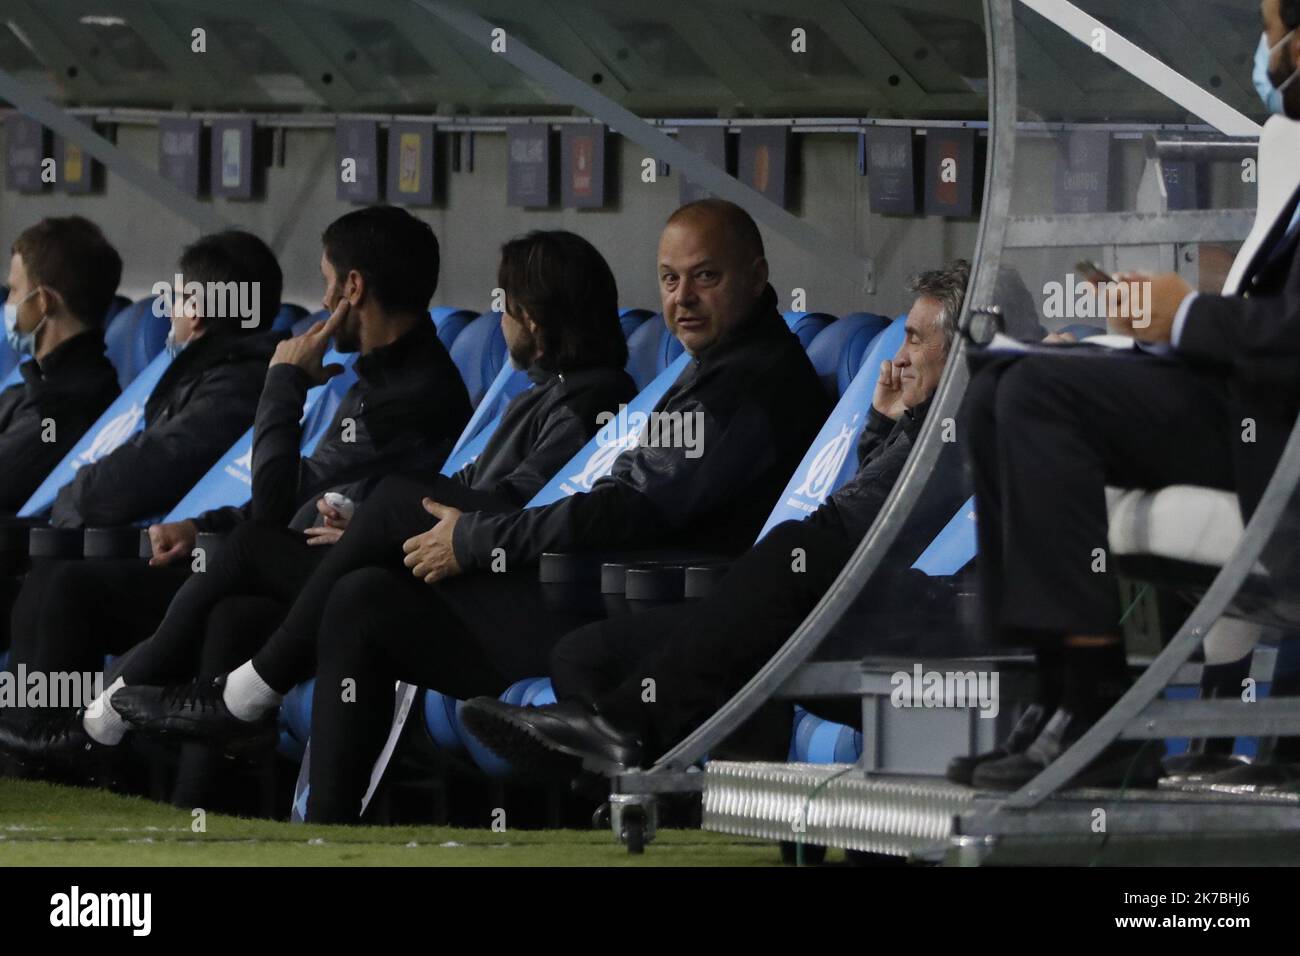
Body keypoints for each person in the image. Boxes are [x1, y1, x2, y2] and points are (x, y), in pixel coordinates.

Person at [120, 198, 831, 823]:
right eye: (671, 280)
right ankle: (324, 829)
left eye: (706, 277)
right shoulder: (699, 369)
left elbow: (627, 510)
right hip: (586, 588)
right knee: (364, 597)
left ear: (759, 276)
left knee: (383, 510)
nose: (683, 298)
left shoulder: (749, 380)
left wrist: (479, 540)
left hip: (626, 609)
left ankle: (240, 694)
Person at [937, 0, 1300, 791]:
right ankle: (1061, 683)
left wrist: (1192, 315)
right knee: (1003, 382)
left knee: (1037, 396)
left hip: (1276, 430)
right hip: (1244, 401)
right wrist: (1156, 328)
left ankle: (1098, 703)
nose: (1265, 60)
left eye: (1270, 32)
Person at [0, 207, 473, 789]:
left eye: (328, 282)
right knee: (65, 581)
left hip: (323, 579)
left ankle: (89, 746)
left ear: (354, 287)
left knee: (177, 600)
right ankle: (62, 755)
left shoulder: (413, 391)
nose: (323, 301)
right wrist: (200, 527)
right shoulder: (374, 377)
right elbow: (297, 499)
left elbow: (276, 509)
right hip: (268, 562)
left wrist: (284, 384)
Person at [458, 261, 970, 776]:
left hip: (900, 619)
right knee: (584, 654)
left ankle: (629, 736)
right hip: (823, 597)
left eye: (914, 342)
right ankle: (633, 788)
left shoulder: (963, 431)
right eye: (667, 278)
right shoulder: (924, 424)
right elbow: (872, 507)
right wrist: (882, 425)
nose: (899, 359)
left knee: (788, 559)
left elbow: (867, 532)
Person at [0, 216, 122, 512]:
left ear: (43, 301)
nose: (8, 303)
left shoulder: (61, 409)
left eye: (14, 291)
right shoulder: (37, 384)